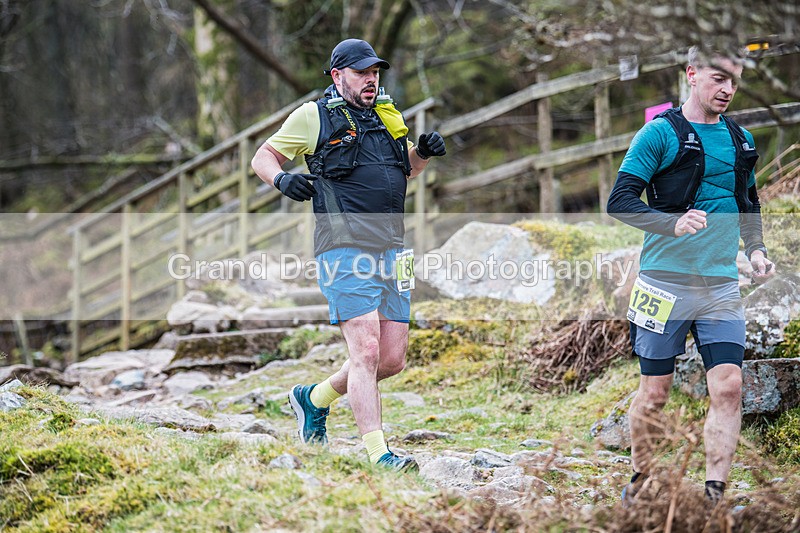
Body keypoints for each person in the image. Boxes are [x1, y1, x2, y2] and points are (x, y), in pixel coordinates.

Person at [251, 39, 446, 472]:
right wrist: (282, 180)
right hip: (344, 247)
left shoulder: (388, 115)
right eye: (361, 72)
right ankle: (380, 455)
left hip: (395, 249)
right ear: (338, 76)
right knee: (367, 351)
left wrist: (423, 153)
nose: (371, 78)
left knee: (391, 360)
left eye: (375, 71)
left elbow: (406, 170)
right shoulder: (313, 116)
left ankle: (313, 399)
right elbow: (262, 156)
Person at [607, 45, 776, 505]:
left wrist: (757, 250)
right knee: (655, 393)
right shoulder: (658, 134)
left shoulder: (741, 141)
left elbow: (749, 204)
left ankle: (715, 495)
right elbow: (619, 201)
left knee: (729, 386)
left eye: (734, 81)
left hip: (721, 286)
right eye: (718, 78)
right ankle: (642, 479)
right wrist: (671, 222)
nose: (727, 89)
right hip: (663, 283)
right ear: (692, 73)